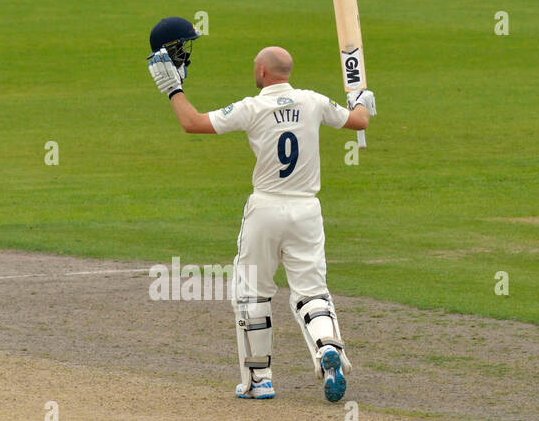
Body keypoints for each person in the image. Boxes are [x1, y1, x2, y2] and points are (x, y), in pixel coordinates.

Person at [146, 20, 374, 401]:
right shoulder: (314, 101)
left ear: (264, 72)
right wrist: (363, 101)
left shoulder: (252, 108)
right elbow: (360, 121)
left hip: (266, 209)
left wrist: (174, 89)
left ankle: (260, 381)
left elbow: (192, 123)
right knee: (312, 292)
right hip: (306, 212)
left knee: (252, 293)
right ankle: (326, 347)